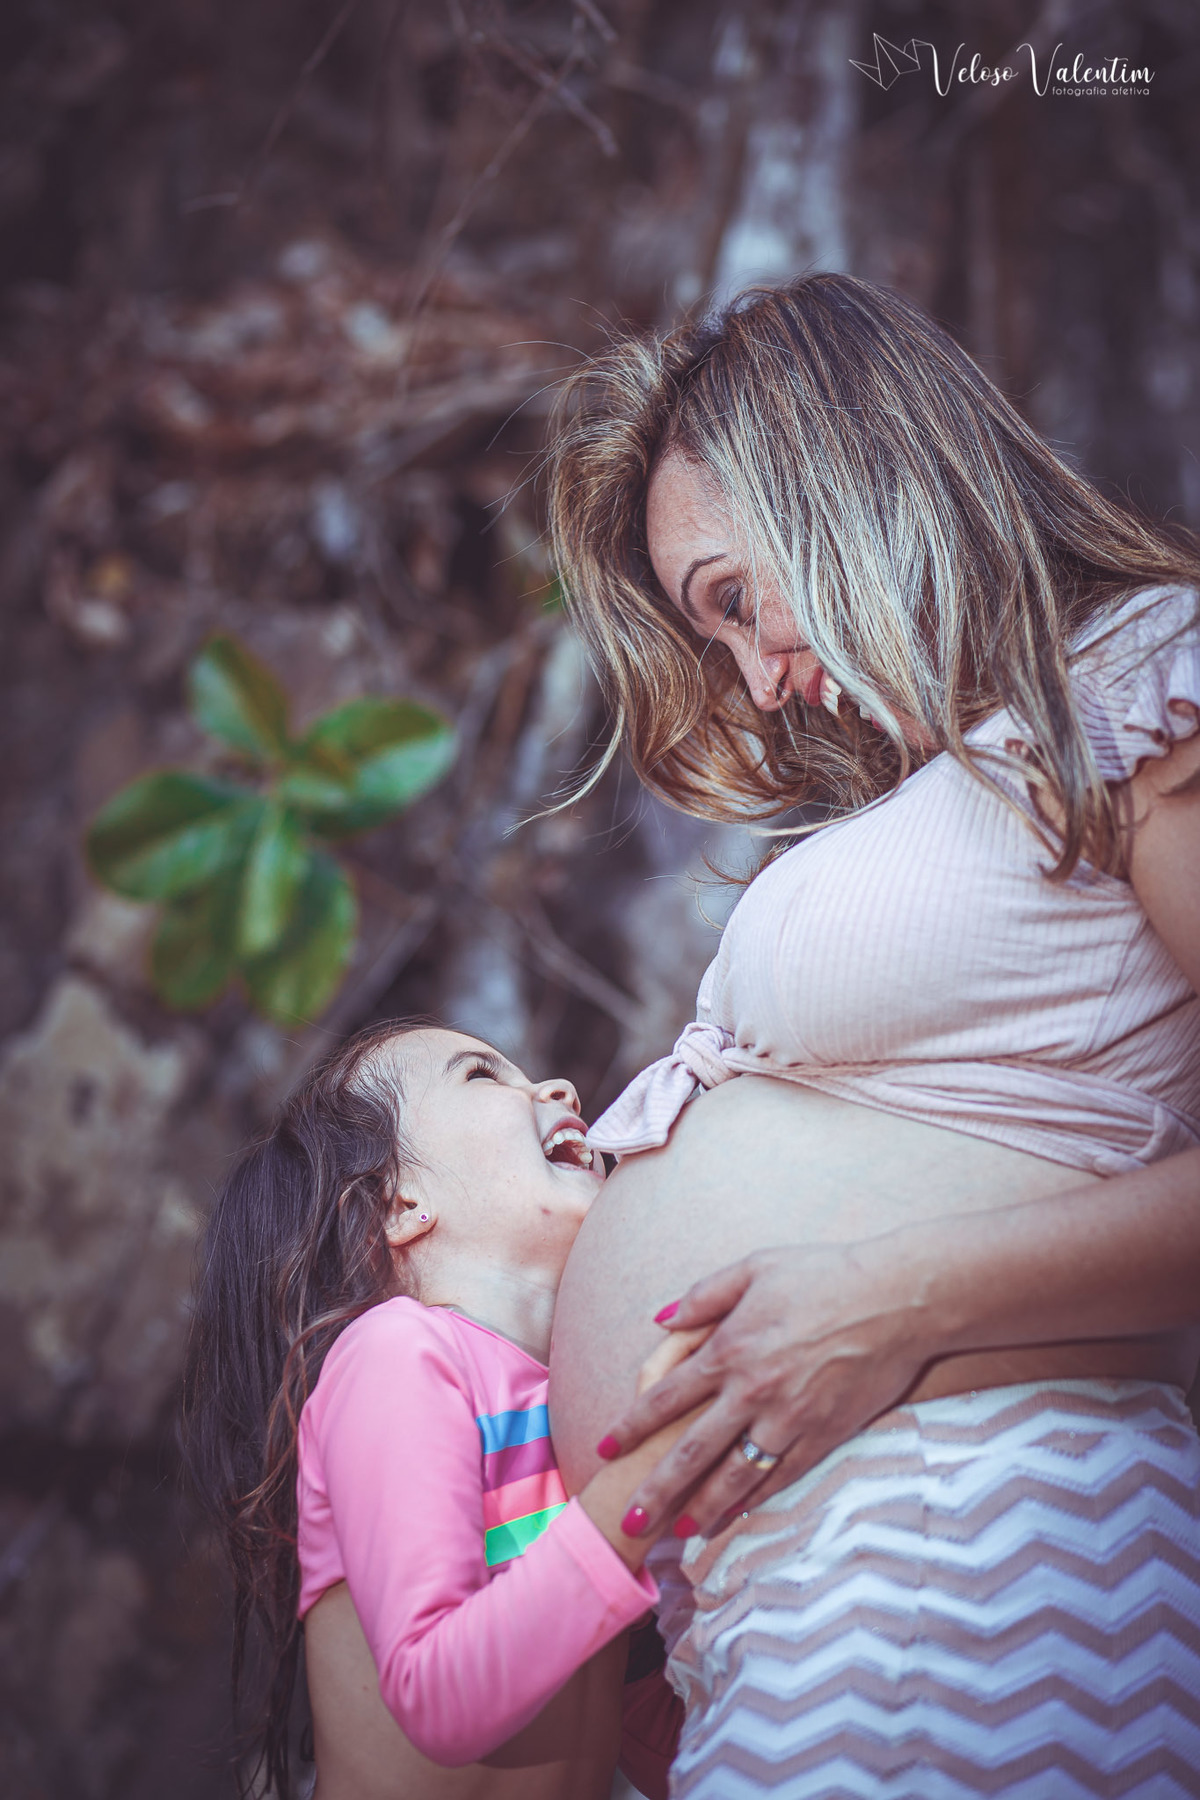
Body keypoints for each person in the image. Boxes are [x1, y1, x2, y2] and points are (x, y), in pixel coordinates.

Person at [543, 273, 1200, 1795]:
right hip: (820, 1599)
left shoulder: (1138, 679)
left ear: (833, 474)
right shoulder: (977, 765)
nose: (760, 683)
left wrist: (886, 1301)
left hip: (980, 1550)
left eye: (733, 601)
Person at [183, 1020, 688, 1800]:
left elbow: (647, 1731)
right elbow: (438, 1693)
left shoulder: (573, 1396)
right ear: (397, 1204)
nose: (558, 1089)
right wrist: (638, 1490)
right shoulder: (396, 1355)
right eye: (482, 1076)